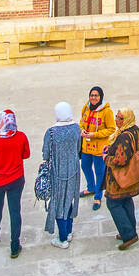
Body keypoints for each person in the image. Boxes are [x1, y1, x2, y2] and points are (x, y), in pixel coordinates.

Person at [0, 109, 29, 258]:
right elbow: (26, 154)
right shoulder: (21, 137)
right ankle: (15, 244)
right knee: (15, 211)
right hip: (16, 179)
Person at [42, 102, 81, 249]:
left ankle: (63, 238)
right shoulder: (76, 128)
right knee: (69, 200)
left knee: (58, 204)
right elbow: (78, 148)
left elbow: (46, 154)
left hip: (58, 173)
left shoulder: (51, 132)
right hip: (74, 170)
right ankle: (69, 232)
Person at [104, 107, 139, 250]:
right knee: (126, 201)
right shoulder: (135, 130)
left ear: (126, 119)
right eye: (116, 117)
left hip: (119, 179)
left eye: (120, 118)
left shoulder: (124, 136)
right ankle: (129, 230)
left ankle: (129, 235)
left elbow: (121, 160)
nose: (116, 120)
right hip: (131, 178)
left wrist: (107, 158)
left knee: (113, 203)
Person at [78, 86, 115, 209]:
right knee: (85, 166)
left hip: (99, 148)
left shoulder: (106, 111)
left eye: (96, 95)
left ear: (101, 97)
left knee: (100, 172)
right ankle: (91, 187)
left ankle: (98, 196)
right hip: (86, 146)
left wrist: (95, 134)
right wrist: (82, 130)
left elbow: (111, 129)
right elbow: (82, 121)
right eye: (92, 95)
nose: (93, 98)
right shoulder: (86, 107)